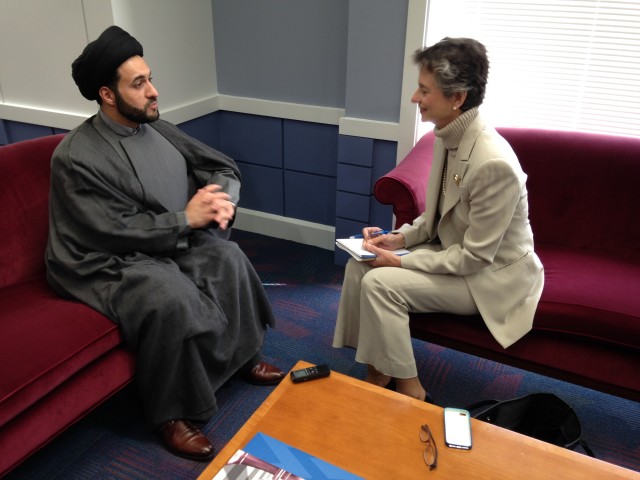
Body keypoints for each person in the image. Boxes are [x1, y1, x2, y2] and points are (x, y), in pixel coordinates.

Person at [45, 25, 285, 461]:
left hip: (168, 236)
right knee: (167, 296)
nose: (154, 91)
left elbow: (221, 167)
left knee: (227, 257)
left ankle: (242, 356)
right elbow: (107, 229)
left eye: (150, 78)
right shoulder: (76, 155)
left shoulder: (158, 128)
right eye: (139, 84)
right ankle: (171, 414)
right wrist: (186, 219)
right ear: (107, 95)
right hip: (102, 259)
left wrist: (220, 202)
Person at [333, 37, 544, 402]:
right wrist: (399, 238)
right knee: (359, 267)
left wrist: (400, 260)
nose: (415, 98)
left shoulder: (492, 163)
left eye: (424, 90)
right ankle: (377, 367)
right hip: (458, 254)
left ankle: (410, 387)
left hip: (489, 278)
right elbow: (438, 214)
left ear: (457, 97)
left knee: (381, 283)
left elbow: (475, 258)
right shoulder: (448, 137)